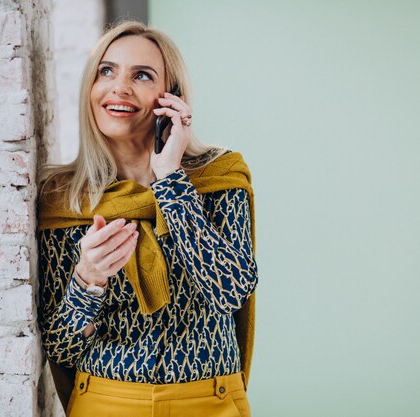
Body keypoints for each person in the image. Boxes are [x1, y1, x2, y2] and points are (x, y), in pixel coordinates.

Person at [37, 20, 258, 417]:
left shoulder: (219, 175)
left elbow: (232, 290)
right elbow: (60, 347)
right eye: (107, 71)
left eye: (141, 75)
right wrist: (89, 280)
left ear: (170, 97)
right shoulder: (65, 198)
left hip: (210, 401)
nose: (119, 86)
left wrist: (171, 180)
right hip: (106, 401)